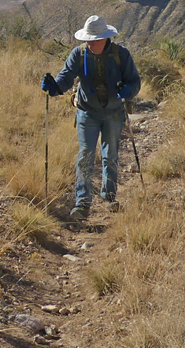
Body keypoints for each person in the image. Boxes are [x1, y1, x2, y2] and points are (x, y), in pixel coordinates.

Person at [41, 15, 141, 221]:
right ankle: (82, 202)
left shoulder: (121, 54)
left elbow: (134, 81)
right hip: (87, 112)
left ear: (106, 38)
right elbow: (66, 76)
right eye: (89, 39)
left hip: (113, 113)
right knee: (86, 154)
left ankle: (109, 195)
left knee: (110, 155)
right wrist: (55, 87)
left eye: (95, 39)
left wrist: (127, 91)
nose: (91, 43)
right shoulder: (78, 54)